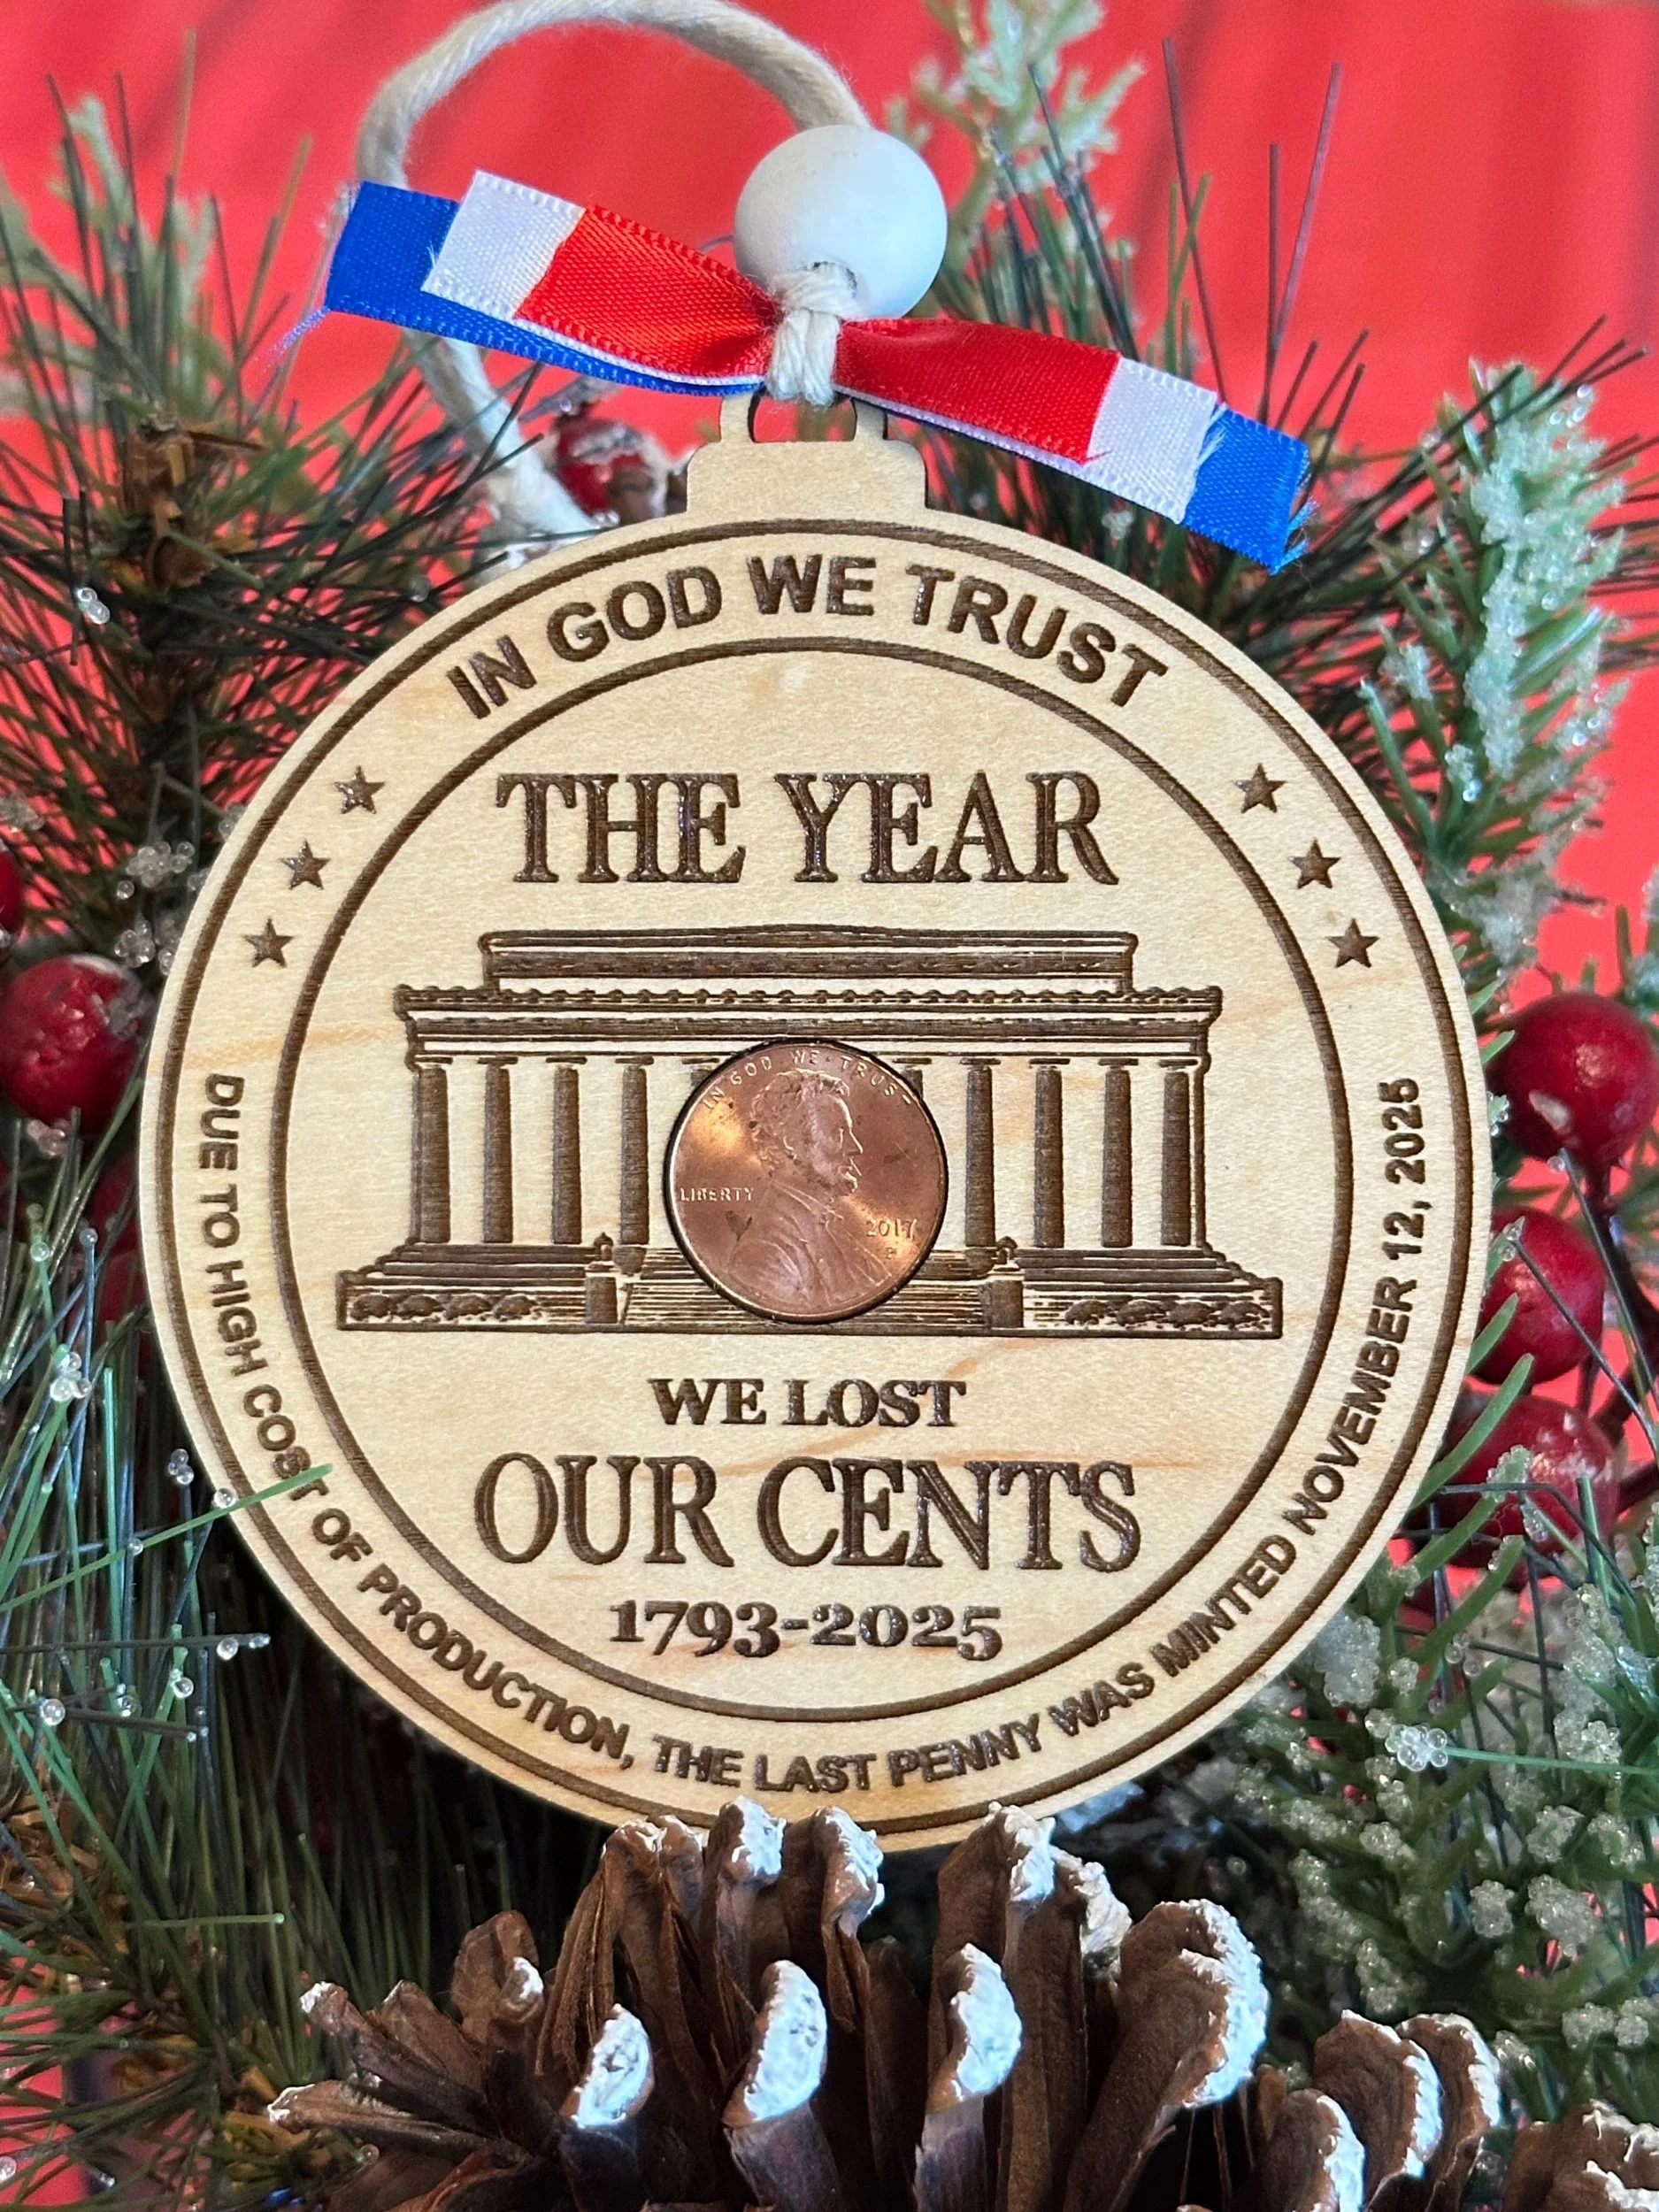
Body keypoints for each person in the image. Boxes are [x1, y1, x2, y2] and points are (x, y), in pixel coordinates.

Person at [722, 1064, 890, 1317]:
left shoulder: (831, 1229)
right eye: (838, 1133)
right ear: (791, 1143)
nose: (856, 1148)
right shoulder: (763, 1255)